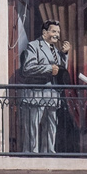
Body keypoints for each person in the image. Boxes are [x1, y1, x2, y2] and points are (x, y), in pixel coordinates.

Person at [18, 21, 68, 154]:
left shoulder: (56, 51)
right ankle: (31, 155)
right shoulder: (33, 46)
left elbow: (60, 71)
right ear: (44, 33)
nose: (56, 35)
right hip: (36, 95)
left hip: (52, 95)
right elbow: (27, 68)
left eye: (58, 32)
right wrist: (48, 68)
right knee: (32, 127)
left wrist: (64, 55)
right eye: (53, 31)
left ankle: (49, 153)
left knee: (51, 127)